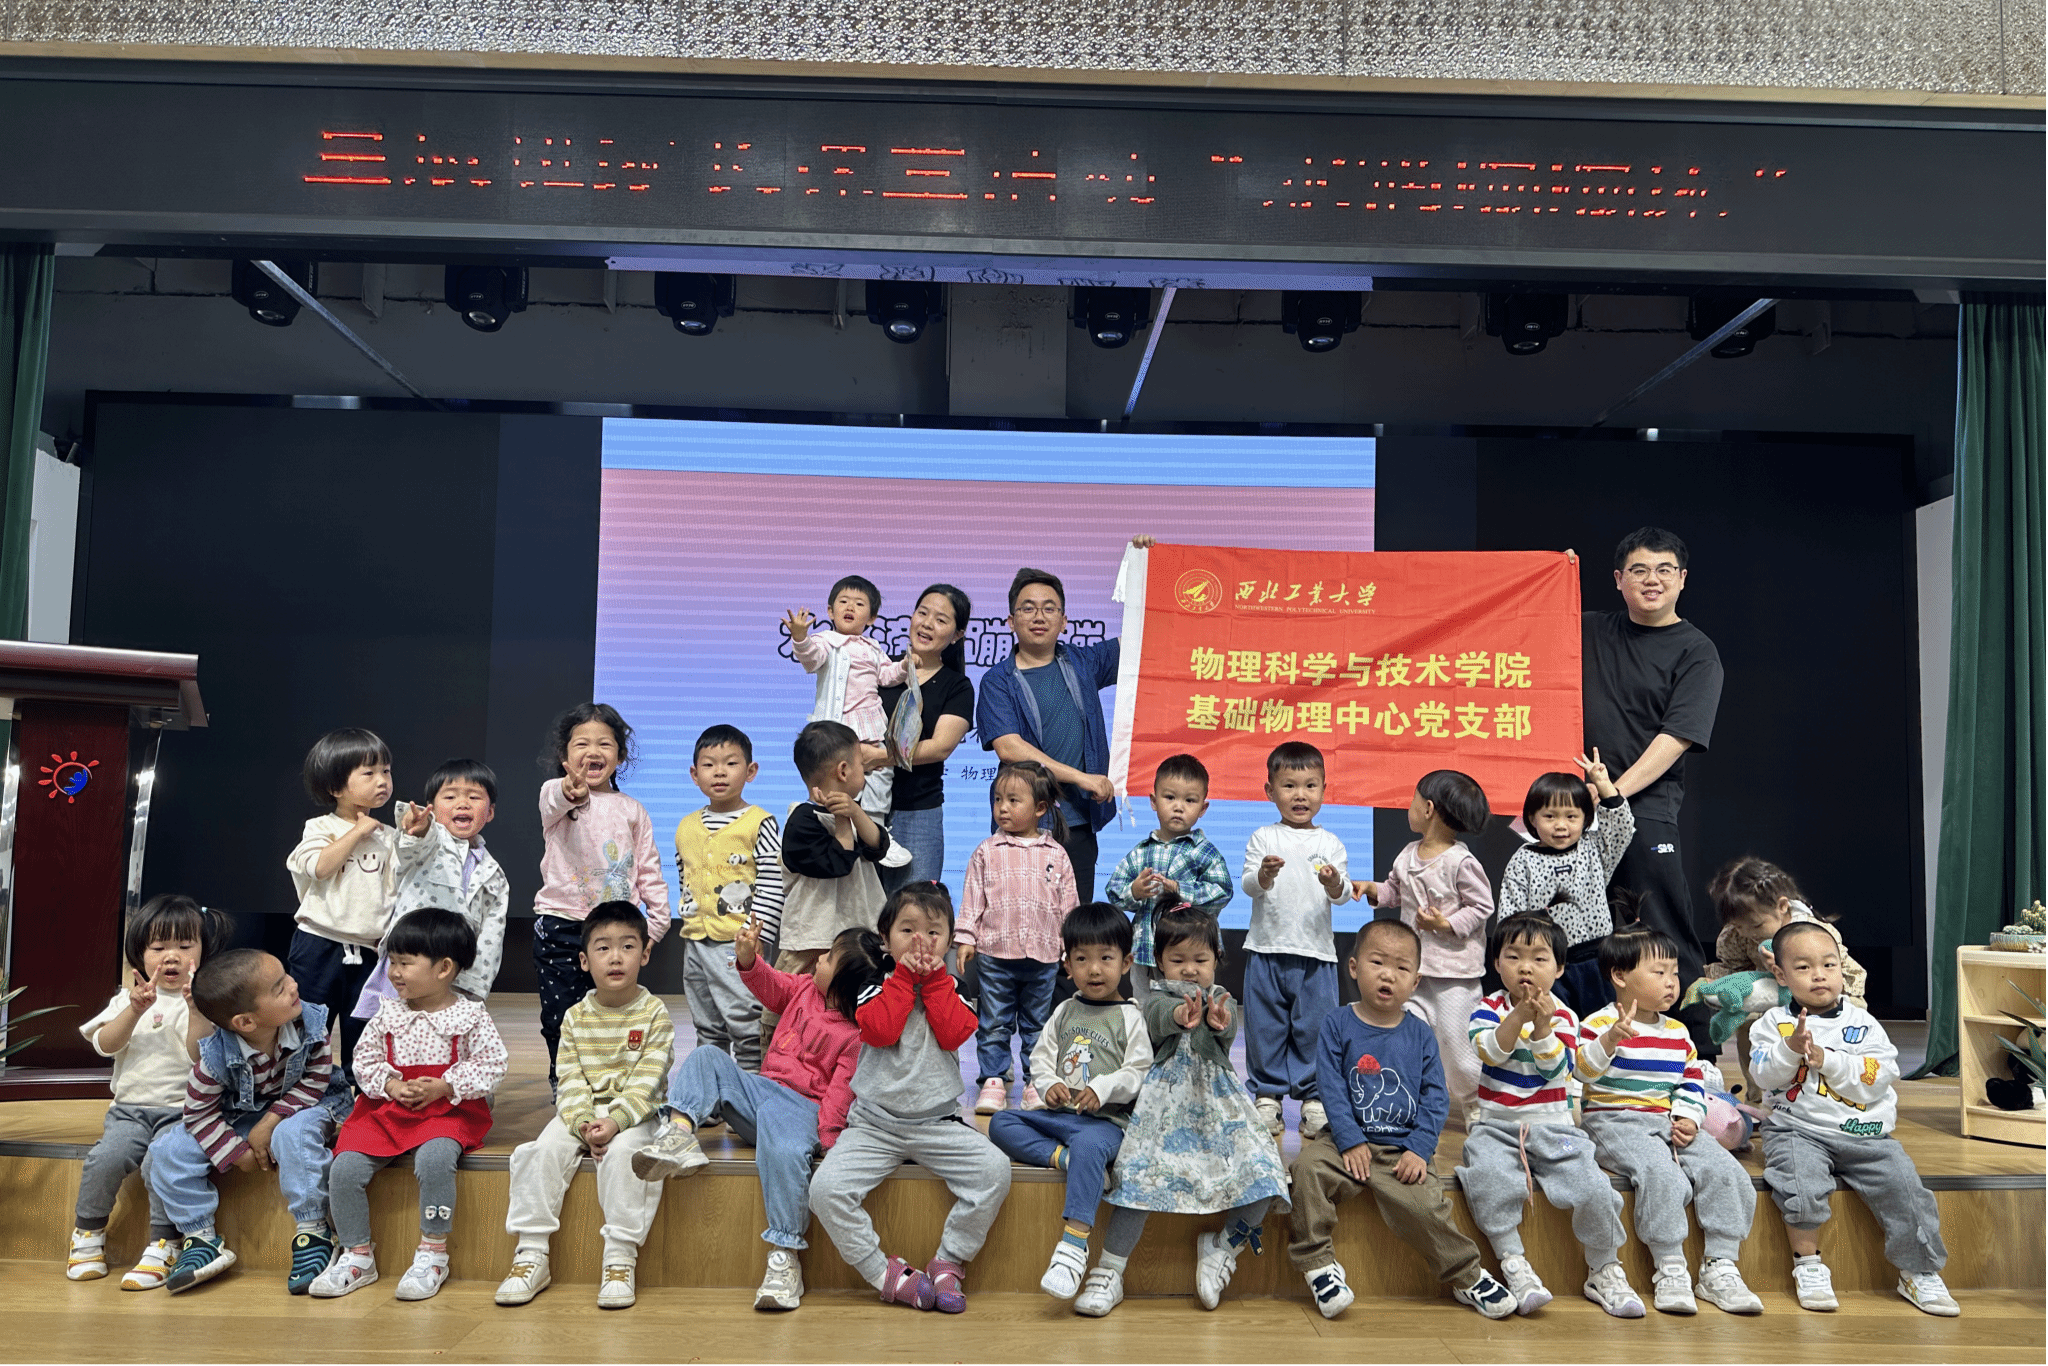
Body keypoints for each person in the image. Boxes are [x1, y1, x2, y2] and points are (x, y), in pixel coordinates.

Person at [634, 921, 886, 1311]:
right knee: (707, 1057)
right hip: (762, 1092)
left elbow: (839, 1096)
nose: (819, 959)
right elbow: (770, 986)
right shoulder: (803, 987)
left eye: (829, 958)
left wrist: (829, 1143)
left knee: (784, 1152)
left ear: (843, 985)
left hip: (803, 1111)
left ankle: (785, 1254)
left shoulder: (855, 1037)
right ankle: (679, 1134)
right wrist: (749, 959)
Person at [1288, 921, 1516, 1321]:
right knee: (1305, 1170)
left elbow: (1435, 1097)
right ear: (1354, 967)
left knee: (1427, 1208)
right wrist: (1349, 1139)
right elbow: (1332, 1088)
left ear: (1416, 981)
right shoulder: (1337, 1024)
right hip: (1345, 1142)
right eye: (1377, 962)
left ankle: (1466, 1275)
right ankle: (1318, 1265)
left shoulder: (1421, 1034)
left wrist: (1419, 1149)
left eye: (1401, 967)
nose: (1388, 975)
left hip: (1402, 1147)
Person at [809, 883, 1013, 1315]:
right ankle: (883, 1273)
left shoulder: (955, 986)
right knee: (825, 1190)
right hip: (873, 1125)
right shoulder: (873, 985)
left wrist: (934, 981)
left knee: (994, 1170)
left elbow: (954, 1033)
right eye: (907, 930)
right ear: (885, 939)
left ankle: (949, 1260)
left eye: (933, 932)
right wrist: (903, 979)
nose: (921, 941)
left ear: (950, 941)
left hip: (937, 1124)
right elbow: (880, 1031)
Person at [1078, 909, 1289, 1318]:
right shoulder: (1156, 997)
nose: (1190, 969)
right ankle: (1109, 1271)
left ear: (1217, 959)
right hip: (1163, 1109)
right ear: (1159, 961)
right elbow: (1157, 1020)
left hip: (1219, 1106)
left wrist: (1222, 1024)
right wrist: (1179, 1016)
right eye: (1178, 960)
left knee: (1265, 1173)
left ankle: (1223, 1247)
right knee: (1138, 1178)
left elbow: (1225, 1037)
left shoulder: (1220, 996)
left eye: (1200, 960)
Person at [1750, 920, 1958, 1316]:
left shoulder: (1863, 1023)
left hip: (1865, 1134)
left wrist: (1827, 1060)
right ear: (1780, 974)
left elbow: (1879, 1076)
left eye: (1828, 965)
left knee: (1906, 1189)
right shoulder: (1771, 1024)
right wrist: (1790, 1048)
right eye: (1804, 967)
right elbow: (1762, 1074)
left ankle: (1919, 1271)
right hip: (1798, 1130)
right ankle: (1808, 1265)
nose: (1819, 975)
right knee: (1798, 1184)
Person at [313, 909, 507, 1302]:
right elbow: (363, 1060)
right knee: (344, 1167)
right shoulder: (387, 1013)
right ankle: (356, 1254)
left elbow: (493, 1064)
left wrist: (446, 1085)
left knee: (435, 1161)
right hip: (386, 1112)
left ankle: (433, 1252)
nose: (395, 972)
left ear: (444, 968)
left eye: (405, 963)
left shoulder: (469, 1016)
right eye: (392, 962)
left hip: (447, 1112)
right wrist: (389, 1084)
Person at [1581, 527, 1725, 1051]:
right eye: (1639, 570)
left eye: (1664, 570)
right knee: (1581, 930)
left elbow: (1678, 737)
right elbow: (1521, 626)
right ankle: (1593, 1045)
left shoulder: (1697, 651)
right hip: (1576, 811)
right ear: (1618, 579)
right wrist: (1551, 574)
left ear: (1682, 580)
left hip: (1644, 809)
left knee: (1661, 925)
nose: (1652, 580)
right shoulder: (1588, 629)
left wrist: (1612, 793)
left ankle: (1698, 1053)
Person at [1575, 926, 1764, 1316]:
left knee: (1726, 1170)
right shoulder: (1599, 1024)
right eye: (1659, 972)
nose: (1671, 982)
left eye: (1674, 972)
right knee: (1661, 1173)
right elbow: (1581, 1071)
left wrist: (1689, 1117)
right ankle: (1670, 1265)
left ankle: (1719, 1265)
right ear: (1619, 976)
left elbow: (1691, 1081)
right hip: (1613, 1121)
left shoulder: (1678, 1032)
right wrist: (1609, 1041)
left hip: (1666, 1120)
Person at [1453, 911, 1634, 1318]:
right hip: (1496, 1127)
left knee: (1594, 1186)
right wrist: (1519, 1016)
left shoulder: (1565, 1016)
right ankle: (1513, 1262)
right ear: (1496, 963)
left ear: (1559, 968)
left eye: (1539, 958)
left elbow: (1557, 1069)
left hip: (1555, 1128)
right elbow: (1490, 1052)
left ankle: (1604, 1267)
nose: (1525, 968)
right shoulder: (1487, 1008)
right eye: (1513, 956)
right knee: (1488, 1178)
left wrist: (1542, 1027)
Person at [497, 902, 675, 1310]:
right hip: (583, 1112)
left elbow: (648, 1082)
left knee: (626, 1156)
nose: (615, 957)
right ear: (583, 960)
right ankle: (531, 1252)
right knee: (541, 1151)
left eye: (627, 946)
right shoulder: (575, 1017)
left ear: (645, 954)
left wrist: (615, 1122)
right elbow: (570, 1077)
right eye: (603, 948)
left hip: (635, 1114)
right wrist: (581, 1121)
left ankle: (620, 1258)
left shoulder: (655, 1014)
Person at [146, 948, 353, 1294]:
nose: (293, 986)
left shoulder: (310, 1023)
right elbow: (198, 1112)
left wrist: (270, 1123)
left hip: (307, 1105)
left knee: (292, 1134)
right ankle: (200, 1237)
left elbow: (316, 1080)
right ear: (246, 1022)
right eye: (279, 988)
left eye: (286, 976)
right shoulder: (214, 1057)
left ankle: (314, 1230)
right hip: (241, 1115)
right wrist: (235, 1151)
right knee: (167, 1149)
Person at [988, 902, 1152, 1302]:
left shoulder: (1131, 1017)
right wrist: (1049, 1085)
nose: (1094, 969)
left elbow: (1138, 1072)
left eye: (1105, 958)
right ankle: (1066, 1159)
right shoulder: (1064, 1010)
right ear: (1067, 965)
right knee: (1001, 1124)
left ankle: (1073, 1248)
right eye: (1082, 959)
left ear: (1126, 962)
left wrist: (1105, 1088)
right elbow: (1041, 1059)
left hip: (1105, 1125)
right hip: (1059, 1119)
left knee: (1091, 1145)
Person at [68, 894, 230, 1290]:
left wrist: (196, 1010)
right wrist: (134, 1010)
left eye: (185, 945)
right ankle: (87, 1233)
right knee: (105, 1158)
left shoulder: (209, 1002)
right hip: (129, 1110)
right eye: (158, 947)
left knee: (161, 1162)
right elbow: (105, 1044)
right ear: (140, 954)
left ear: (203, 951)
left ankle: (164, 1242)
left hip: (185, 1113)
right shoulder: (127, 1000)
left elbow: (200, 1057)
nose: (171, 956)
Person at [977, 540, 1155, 897]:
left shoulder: (1082, 662)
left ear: (1064, 621)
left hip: (1078, 825)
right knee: (1017, 917)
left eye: (1049, 608)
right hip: (1023, 823)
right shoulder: (997, 681)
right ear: (1010, 621)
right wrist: (1082, 778)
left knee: (1075, 922)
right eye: (1028, 608)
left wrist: (1146, 564)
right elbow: (1010, 749)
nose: (1039, 616)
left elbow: (1145, 633)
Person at [533, 703, 670, 1084]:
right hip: (561, 926)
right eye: (581, 744)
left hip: (615, 931)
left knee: (617, 1014)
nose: (593, 752)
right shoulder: (555, 796)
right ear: (564, 756)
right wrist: (569, 790)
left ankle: (614, 1083)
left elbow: (649, 870)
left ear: (620, 756)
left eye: (604, 744)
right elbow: (555, 797)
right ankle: (567, 1085)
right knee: (560, 1016)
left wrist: (656, 925)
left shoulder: (632, 809)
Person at [1356, 768, 1494, 1127]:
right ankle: (1409, 1101)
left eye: (1413, 801)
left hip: (1454, 977)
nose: (1410, 807)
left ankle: (1475, 1102)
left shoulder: (1460, 861)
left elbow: (1481, 906)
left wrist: (1445, 924)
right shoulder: (1407, 855)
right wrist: (1373, 890)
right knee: (1406, 1038)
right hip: (1413, 973)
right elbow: (1395, 891)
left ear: (1428, 808)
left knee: (1457, 1045)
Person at [1241, 740, 1352, 1138]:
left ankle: (1314, 1100)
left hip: (1316, 954)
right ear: (1270, 791)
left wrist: (1334, 882)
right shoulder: (1263, 837)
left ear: (1324, 789)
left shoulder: (1330, 843)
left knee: (1315, 1030)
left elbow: (1342, 894)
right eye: (1289, 786)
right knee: (1264, 1027)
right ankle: (1267, 1097)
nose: (1300, 795)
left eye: (1310, 786)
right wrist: (1264, 875)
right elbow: (1249, 885)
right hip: (1266, 949)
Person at [959, 760, 1080, 1114]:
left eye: (1013, 800)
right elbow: (973, 898)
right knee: (994, 1022)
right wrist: (966, 937)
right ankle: (993, 1080)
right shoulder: (987, 851)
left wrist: (1071, 949)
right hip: (995, 953)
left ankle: (1036, 1081)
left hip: (1043, 956)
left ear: (1040, 808)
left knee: (1037, 1025)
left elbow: (1068, 907)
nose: (1003, 808)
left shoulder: (1056, 854)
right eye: (998, 799)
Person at [355, 759, 510, 1019]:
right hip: (411, 958)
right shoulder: (430, 841)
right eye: (450, 796)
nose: (463, 803)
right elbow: (413, 843)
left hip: (455, 972)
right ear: (432, 808)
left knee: (444, 1031)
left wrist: (475, 984)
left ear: (490, 812)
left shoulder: (495, 874)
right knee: (397, 1027)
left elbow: (492, 934)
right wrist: (418, 828)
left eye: (474, 797)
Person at [286, 727, 400, 1077]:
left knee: (365, 1032)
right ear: (336, 787)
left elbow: (398, 890)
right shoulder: (320, 827)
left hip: (369, 951)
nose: (382, 781)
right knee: (308, 1029)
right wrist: (358, 831)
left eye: (386, 771)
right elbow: (319, 867)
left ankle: (363, 1097)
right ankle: (304, 1092)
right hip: (318, 944)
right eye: (369, 773)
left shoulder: (390, 836)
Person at [673, 724, 786, 1074]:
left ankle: (750, 1090)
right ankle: (715, 1089)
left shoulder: (760, 822)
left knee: (746, 1024)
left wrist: (759, 935)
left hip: (738, 943)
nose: (719, 772)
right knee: (707, 1025)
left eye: (731, 763)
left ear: (750, 771)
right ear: (695, 775)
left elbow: (773, 881)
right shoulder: (686, 826)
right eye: (709, 765)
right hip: (695, 941)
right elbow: (684, 877)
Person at [1495, 753, 1634, 1016]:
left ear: (1586, 818)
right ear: (1532, 818)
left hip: (1598, 956)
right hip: (1546, 962)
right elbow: (1510, 916)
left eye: (1571, 816)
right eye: (1550, 816)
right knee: (1554, 1025)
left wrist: (1603, 784)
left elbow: (1622, 826)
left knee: (1600, 1023)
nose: (1561, 825)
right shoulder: (1523, 860)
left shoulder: (1594, 848)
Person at [775, 720, 905, 986]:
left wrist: (854, 812)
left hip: (858, 940)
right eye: (862, 766)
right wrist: (843, 819)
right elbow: (839, 862)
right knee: (792, 1002)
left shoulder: (853, 815)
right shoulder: (802, 820)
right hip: (811, 943)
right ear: (844, 771)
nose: (866, 773)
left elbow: (878, 847)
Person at [1103, 753, 1233, 1001]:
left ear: (1203, 808)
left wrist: (1180, 890)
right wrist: (1134, 891)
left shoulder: (1204, 851)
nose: (1178, 807)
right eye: (1170, 797)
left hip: (1189, 954)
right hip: (1146, 950)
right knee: (1146, 1007)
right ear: (1153, 801)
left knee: (1190, 1006)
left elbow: (1222, 891)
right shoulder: (1141, 852)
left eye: (1190, 800)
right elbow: (1114, 890)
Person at [878, 584, 976, 894]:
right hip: (862, 803)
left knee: (914, 908)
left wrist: (875, 757)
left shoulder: (957, 686)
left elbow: (939, 748)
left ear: (957, 634)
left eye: (941, 620)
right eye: (922, 613)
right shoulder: (880, 669)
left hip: (918, 812)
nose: (927, 624)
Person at [786, 574, 895, 819]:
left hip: (868, 726)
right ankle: (820, 816)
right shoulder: (825, 640)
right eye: (843, 601)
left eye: (859, 604)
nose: (850, 607)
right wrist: (800, 637)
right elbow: (811, 659)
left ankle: (875, 823)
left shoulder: (874, 648)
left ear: (872, 617)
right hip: (835, 727)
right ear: (830, 611)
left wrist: (907, 666)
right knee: (830, 775)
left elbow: (887, 675)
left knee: (878, 772)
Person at [1706, 856, 1868, 1006]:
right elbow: (1736, 968)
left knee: (1849, 1006)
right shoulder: (1738, 935)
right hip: (1768, 992)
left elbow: (1833, 975)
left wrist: (1784, 969)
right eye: (1738, 926)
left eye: (1757, 925)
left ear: (1782, 906)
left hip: (1817, 990)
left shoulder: (1812, 934)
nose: (1746, 933)